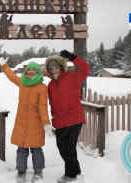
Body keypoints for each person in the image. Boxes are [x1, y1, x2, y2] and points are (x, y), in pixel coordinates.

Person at [0, 58, 54, 183]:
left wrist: (46, 123)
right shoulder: (23, 82)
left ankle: (38, 171)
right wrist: (4, 66)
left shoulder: (42, 87)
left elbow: (43, 107)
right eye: (29, 69)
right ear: (26, 71)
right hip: (21, 122)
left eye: (34, 69)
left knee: (36, 149)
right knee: (21, 149)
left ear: (37, 71)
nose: (31, 71)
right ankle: (21, 171)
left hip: (36, 123)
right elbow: (11, 76)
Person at [44, 50, 91, 183]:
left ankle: (71, 175)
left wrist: (72, 57)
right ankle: (75, 173)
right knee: (62, 147)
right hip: (59, 121)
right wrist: (53, 120)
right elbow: (52, 104)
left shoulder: (72, 77)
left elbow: (86, 69)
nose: (54, 70)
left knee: (68, 148)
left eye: (56, 67)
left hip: (74, 118)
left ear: (61, 67)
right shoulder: (51, 84)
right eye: (51, 68)